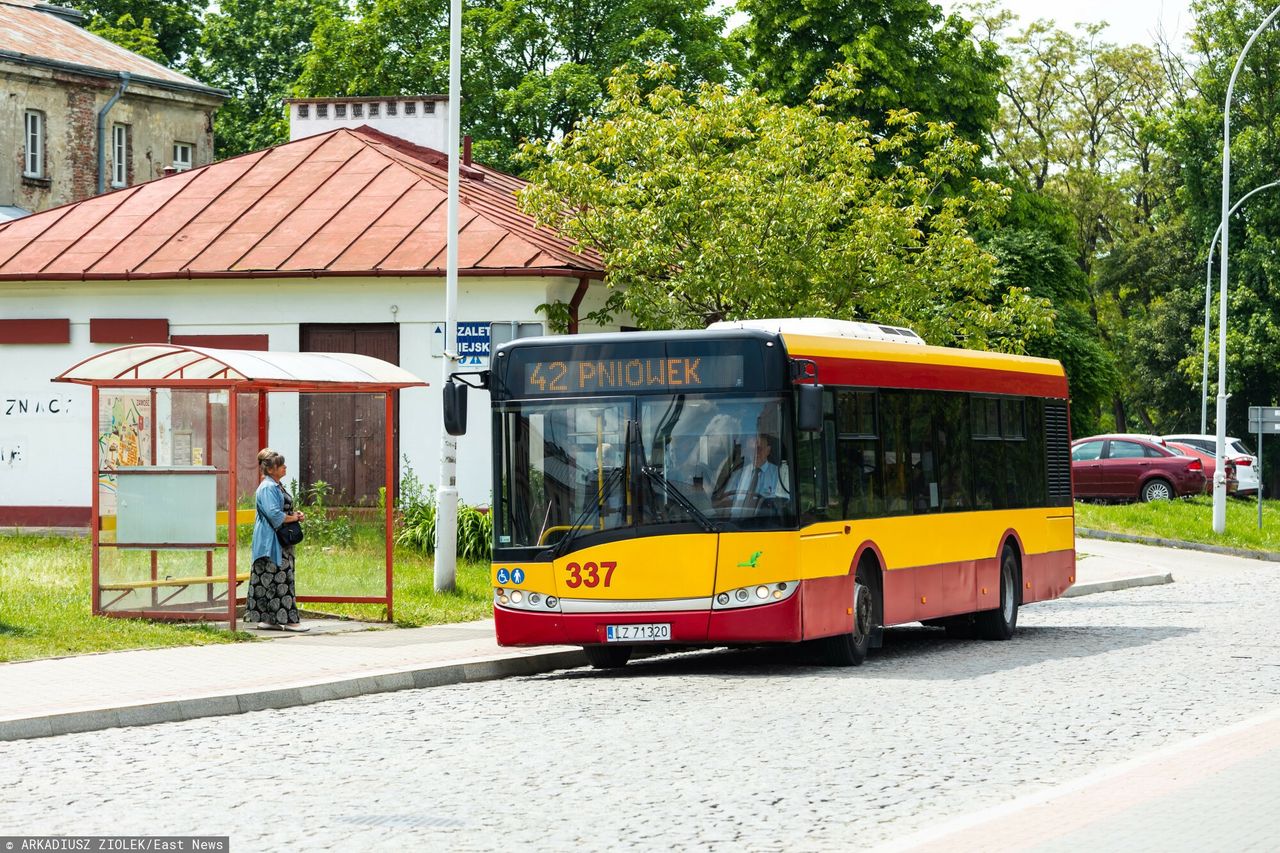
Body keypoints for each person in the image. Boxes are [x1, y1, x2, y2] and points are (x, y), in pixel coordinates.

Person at [248, 449, 307, 632]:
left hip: (279, 542)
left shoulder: (276, 485)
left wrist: (295, 515)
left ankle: (271, 620)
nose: (285, 467)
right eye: (281, 465)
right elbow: (275, 516)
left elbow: (281, 512)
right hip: (270, 543)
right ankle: (289, 621)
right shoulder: (267, 488)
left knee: (276, 579)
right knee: (279, 579)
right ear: (272, 469)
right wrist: (294, 518)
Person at [718, 433, 781, 516]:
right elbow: (726, 500)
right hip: (738, 522)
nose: (756, 453)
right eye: (752, 450)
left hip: (768, 523)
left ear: (768, 450)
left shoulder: (779, 474)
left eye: (759, 449)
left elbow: (781, 503)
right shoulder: (738, 474)